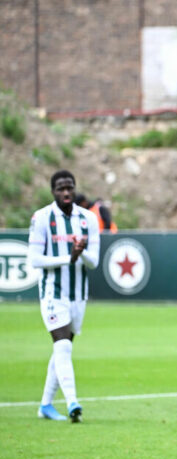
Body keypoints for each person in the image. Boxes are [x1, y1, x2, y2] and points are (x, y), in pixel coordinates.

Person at [28, 170, 100, 422]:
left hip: (78, 294)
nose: (66, 192)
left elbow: (94, 262)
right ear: (53, 192)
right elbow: (34, 260)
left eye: (69, 187)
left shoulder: (88, 219)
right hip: (52, 292)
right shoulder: (42, 218)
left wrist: (81, 253)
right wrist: (66, 258)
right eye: (60, 188)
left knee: (62, 350)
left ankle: (46, 405)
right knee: (63, 345)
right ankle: (72, 402)